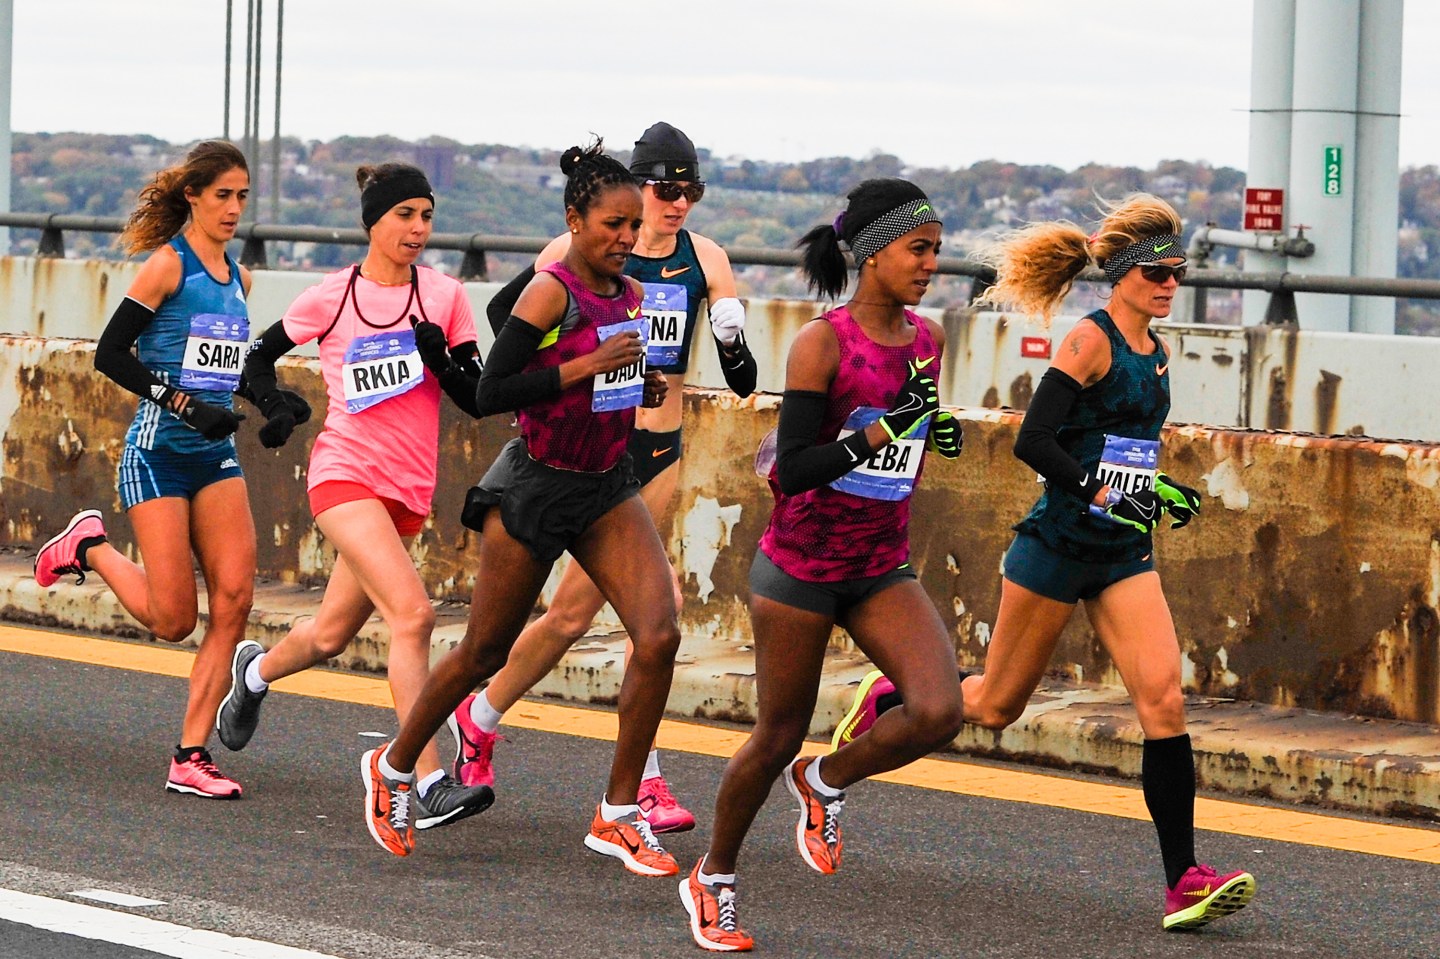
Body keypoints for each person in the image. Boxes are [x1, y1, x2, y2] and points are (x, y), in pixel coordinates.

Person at [832, 194, 1256, 932]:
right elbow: (1036, 441)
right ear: (1122, 274)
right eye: (1156, 271)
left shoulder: (1156, 350)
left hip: (1123, 550)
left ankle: (1183, 877)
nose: (1169, 284)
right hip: (1056, 546)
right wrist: (1096, 488)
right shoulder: (1089, 344)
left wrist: (1158, 489)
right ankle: (893, 699)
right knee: (995, 706)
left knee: (1165, 703)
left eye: (1178, 271)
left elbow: (1120, 450)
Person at [361, 140, 683, 874]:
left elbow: (602, 392)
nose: (626, 239)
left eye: (634, 226)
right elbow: (490, 394)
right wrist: (586, 366)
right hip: (534, 484)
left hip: (605, 484)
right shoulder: (550, 291)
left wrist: (637, 387)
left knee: (658, 635)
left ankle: (619, 812)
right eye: (612, 225)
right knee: (484, 650)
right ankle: (396, 762)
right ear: (574, 219)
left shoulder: (630, 295)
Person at [678, 179, 967, 952]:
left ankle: (827, 779)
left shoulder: (930, 341)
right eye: (918, 248)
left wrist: (926, 435)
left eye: (936, 249)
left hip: (879, 564)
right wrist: (882, 435)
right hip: (801, 567)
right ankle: (713, 875)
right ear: (872, 253)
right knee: (774, 735)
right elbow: (792, 470)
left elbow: (908, 430)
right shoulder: (823, 343)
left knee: (940, 710)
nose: (930, 263)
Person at [463, 122, 757, 833]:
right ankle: (486, 717)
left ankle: (620, 774)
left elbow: (742, 377)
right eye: (665, 187)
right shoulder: (576, 253)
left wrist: (728, 330)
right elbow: (508, 320)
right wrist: (558, 374)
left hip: (656, 452)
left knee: (645, 616)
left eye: (691, 189)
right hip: (588, 453)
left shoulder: (703, 256)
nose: (678, 202)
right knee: (579, 614)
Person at [214, 162, 493, 830]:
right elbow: (256, 354)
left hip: (406, 491)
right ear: (374, 221)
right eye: (405, 215)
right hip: (342, 475)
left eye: (427, 216)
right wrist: (274, 404)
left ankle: (252, 674)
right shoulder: (334, 296)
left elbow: (478, 398)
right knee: (414, 615)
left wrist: (441, 361)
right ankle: (422, 778)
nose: (419, 229)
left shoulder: (445, 297)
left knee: (331, 634)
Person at [32, 140, 293, 798]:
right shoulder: (166, 269)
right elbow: (111, 354)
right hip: (158, 454)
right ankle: (88, 545)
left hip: (215, 454)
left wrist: (267, 401)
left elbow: (226, 367)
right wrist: (179, 403)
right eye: (224, 196)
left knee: (234, 600)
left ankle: (190, 755)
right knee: (174, 618)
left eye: (242, 197)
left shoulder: (240, 278)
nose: (235, 209)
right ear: (193, 198)